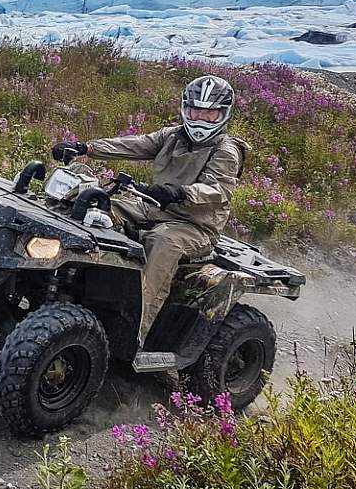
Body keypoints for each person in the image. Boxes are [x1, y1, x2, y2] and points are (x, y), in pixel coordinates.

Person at [53, 76, 249, 367]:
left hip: (194, 226)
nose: (200, 118)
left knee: (162, 242)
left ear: (222, 115)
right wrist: (85, 148)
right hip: (154, 208)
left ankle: (133, 334)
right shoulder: (173, 135)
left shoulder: (226, 151)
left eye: (209, 113)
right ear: (185, 109)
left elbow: (218, 190)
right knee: (102, 209)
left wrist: (180, 192)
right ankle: (73, 285)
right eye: (195, 111)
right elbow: (134, 145)